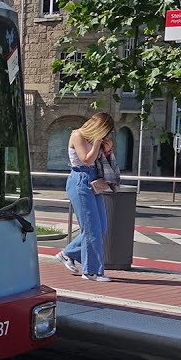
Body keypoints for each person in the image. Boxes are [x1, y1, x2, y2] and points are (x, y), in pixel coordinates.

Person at [57, 112, 115, 282]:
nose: (107, 135)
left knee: (101, 227)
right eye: (106, 131)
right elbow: (86, 160)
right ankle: (91, 271)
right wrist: (97, 142)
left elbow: (100, 162)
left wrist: (108, 150)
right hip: (80, 179)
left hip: (94, 180)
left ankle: (68, 253)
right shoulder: (77, 135)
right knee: (91, 229)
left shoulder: (93, 140)